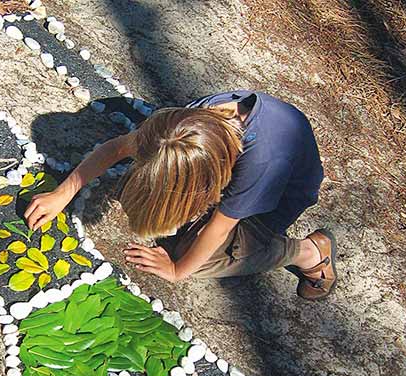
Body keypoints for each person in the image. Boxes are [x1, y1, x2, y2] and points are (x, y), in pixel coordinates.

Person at [24, 90, 337, 300]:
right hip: (229, 174)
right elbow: (119, 147)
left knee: (195, 255)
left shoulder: (262, 165)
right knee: (159, 201)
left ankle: (309, 253)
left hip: (272, 205)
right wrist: (63, 193)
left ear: (204, 187)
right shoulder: (182, 127)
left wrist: (177, 270)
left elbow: (220, 226)